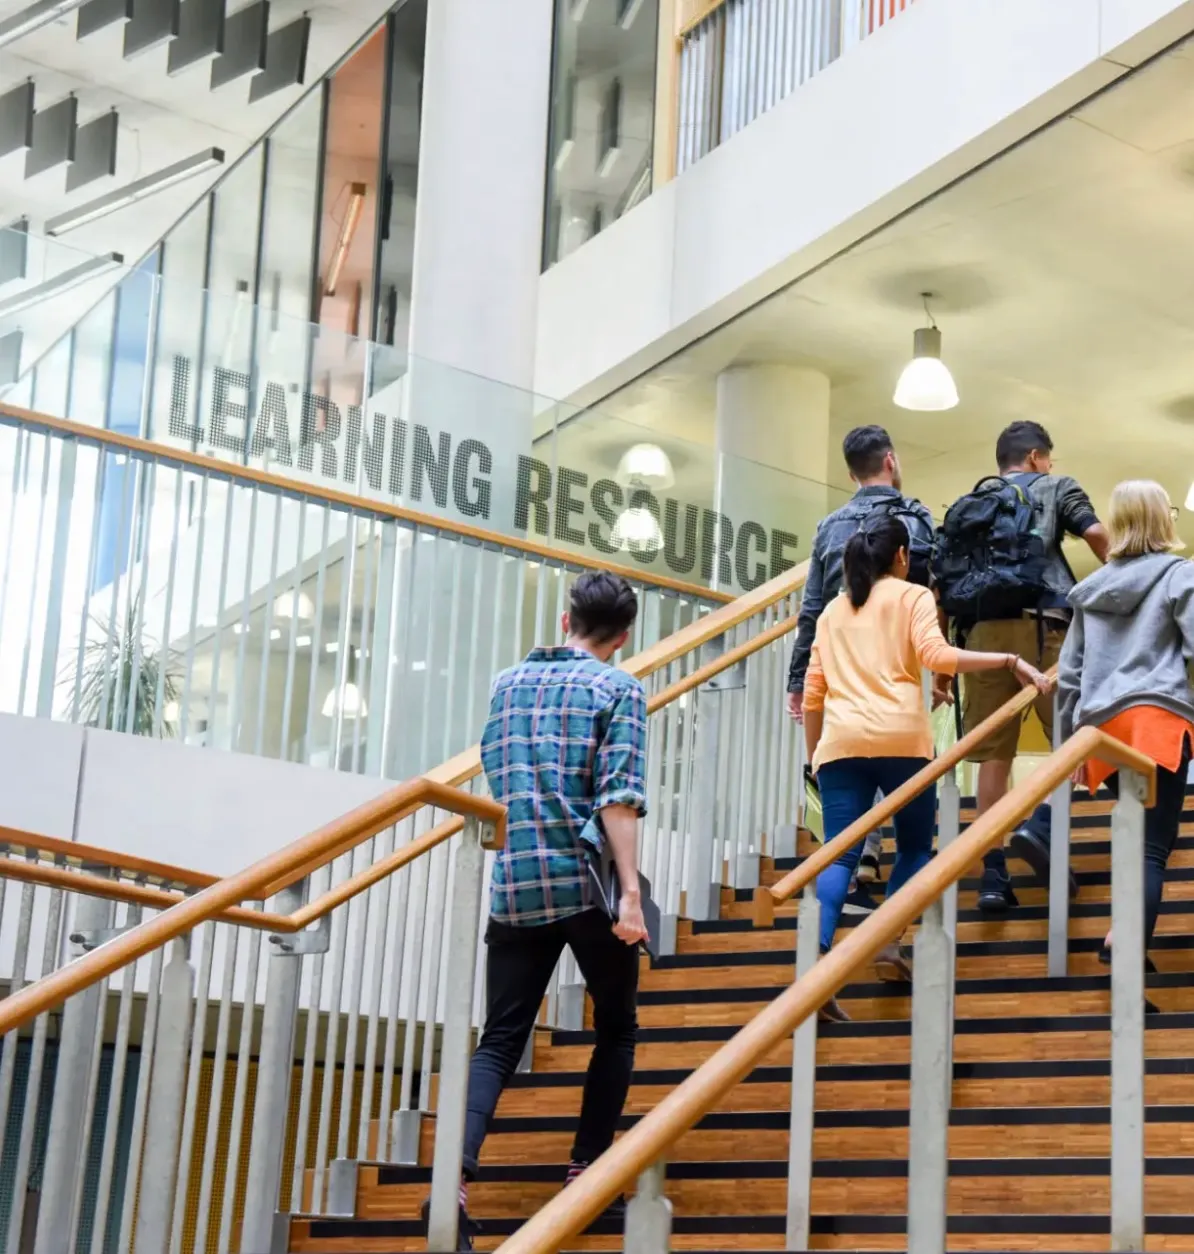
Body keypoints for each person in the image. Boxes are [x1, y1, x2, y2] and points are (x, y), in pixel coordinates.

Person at [443, 571, 649, 1248]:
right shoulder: (619, 688)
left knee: (500, 1039)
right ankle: (584, 1175)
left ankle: (454, 1180)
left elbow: (499, 772)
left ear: (566, 622)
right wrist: (631, 894)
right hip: (586, 885)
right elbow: (617, 799)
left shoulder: (507, 684)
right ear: (623, 637)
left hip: (517, 882)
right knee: (616, 1029)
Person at [804, 514, 1047, 1022]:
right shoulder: (912, 595)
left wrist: (813, 757)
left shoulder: (831, 611)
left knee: (840, 856)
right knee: (914, 847)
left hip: (839, 746)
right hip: (901, 742)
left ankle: (818, 963)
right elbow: (937, 654)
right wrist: (1008, 661)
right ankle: (889, 943)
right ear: (900, 557)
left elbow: (812, 698)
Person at [949, 421, 1108, 912]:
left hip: (981, 636)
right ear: (1036, 456)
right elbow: (1097, 534)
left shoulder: (972, 504)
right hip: (1045, 629)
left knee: (993, 760)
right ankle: (1042, 827)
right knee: (1070, 745)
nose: (1051, 466)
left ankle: (993, 874)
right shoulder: (1057, 487)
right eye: (1049, 459)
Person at [786, 425, 937, 904]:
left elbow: (811, 607)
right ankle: (888, 867)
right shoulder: (913, 519)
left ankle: (860, 861)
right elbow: (934, 587)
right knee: (900, 764)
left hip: (836, 662)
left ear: (851, 472)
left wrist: (797, 680)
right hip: (897, 663)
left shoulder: (829, 526)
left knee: (850, 760)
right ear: (890, 461)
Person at [1058, 480, 1194, 992]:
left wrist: (1074, 738)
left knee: (1135, 843)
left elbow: (1070, 674)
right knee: (1153, 848)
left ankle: (1122, 935)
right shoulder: (1181, 575)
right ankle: (1126, 945)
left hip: (1104, 731)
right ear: (1163, 519)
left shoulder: (1092, 589)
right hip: (1157, 720)